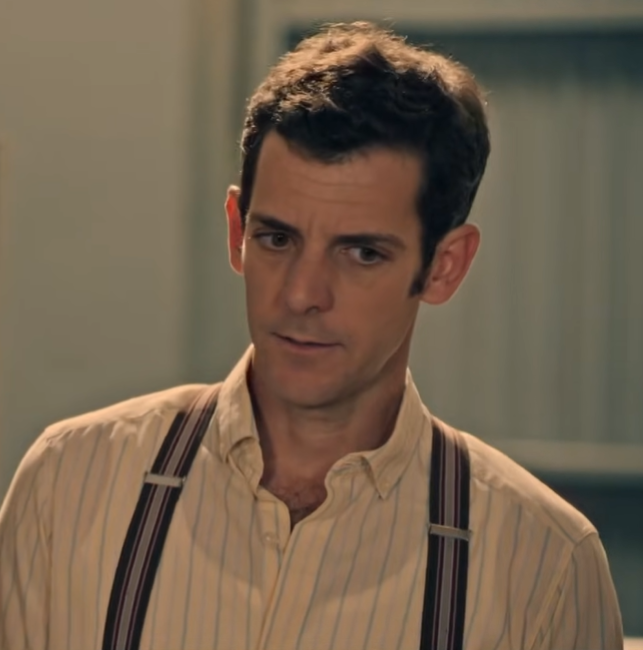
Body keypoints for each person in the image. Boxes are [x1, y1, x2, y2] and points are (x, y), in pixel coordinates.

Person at [0, 21, 623, 650]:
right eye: (278, 239)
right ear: (236, 231)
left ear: (444, 266)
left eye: (362, 253)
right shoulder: (69, 486)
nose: (302, 294)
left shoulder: (543, 569)